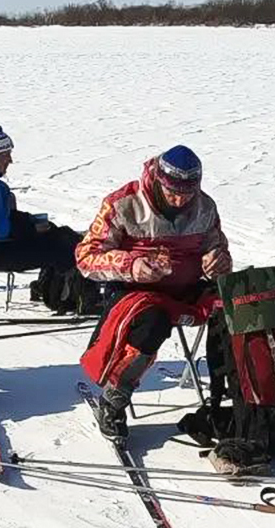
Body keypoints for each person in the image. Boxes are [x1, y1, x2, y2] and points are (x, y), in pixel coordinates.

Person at [75, 146, 232, 438]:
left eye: (187, 193)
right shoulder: (123, 204)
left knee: (238, 307)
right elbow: (86, 256)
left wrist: (218, 260)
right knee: (153, 322)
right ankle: (114, 399)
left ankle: (238, 399)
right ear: (158, 180)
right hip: (136, 291)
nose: (180, 199)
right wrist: (131, 265)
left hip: (188, 288)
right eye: (173, 191)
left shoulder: (204, 207)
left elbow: (217, 246)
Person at [0, 119, 84, 271]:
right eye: (6, 155)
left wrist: (31, 222)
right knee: (60, 250)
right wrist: (32, 228)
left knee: (58, 236)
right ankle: (69, 291)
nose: (10, 160)